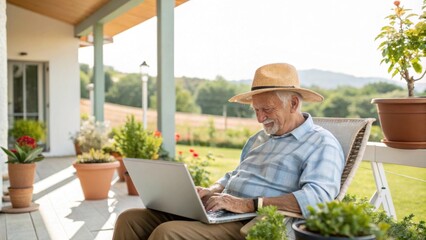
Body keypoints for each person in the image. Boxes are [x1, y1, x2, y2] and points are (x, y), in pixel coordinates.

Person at [112, 63, 344, 240]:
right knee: (129, 219)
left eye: (267, 109)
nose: (260, 118)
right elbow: (235, 174)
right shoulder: (260, 138)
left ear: (293, 103)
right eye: (256, 110)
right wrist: (211, 190)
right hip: (222, 210)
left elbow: (318, 200)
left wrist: (248, 204)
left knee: (169, 233)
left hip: (251, 221)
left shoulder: (322, 144)